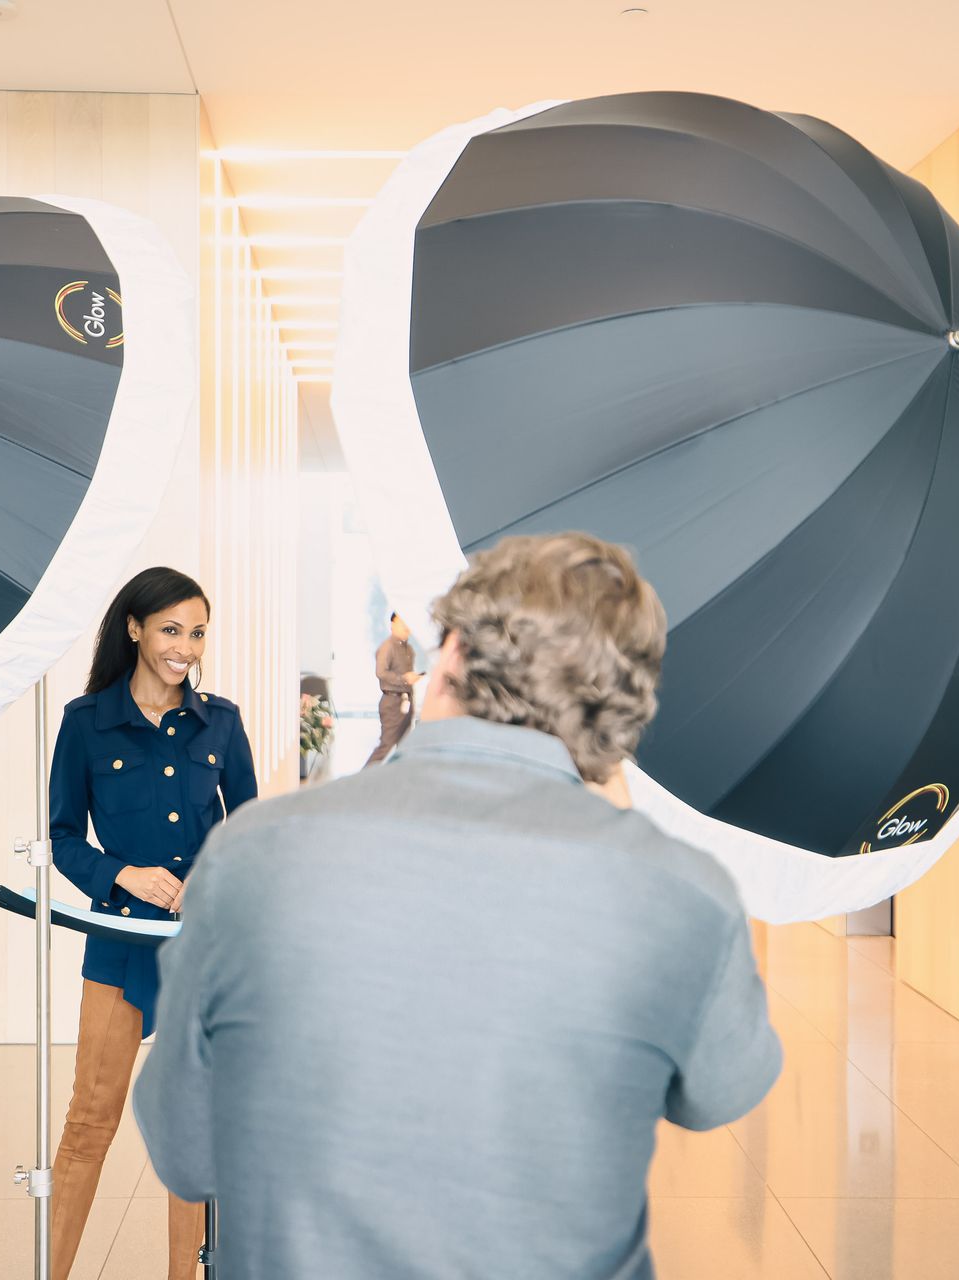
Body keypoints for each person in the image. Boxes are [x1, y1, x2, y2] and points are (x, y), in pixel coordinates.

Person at [133, 533, 782, 1280]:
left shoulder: (254, 852)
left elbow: (185, 1152)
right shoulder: (682, 891)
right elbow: (719, 1093)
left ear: (451, 657)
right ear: (620, 716)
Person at [47, 566, 257, 1280]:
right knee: (89, 1123)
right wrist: (121, 874)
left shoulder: (221, 723)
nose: (186, 648)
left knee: (190, 1136)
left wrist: (209, 875)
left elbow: (250, 829)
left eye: (197, 633)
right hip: (118, 950)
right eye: (172, 630)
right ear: (134, 629)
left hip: (203, 953)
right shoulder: (85, 723)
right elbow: (64, 836)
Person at [364, 612, 420, 768]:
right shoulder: (387, 647)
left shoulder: (408, 649)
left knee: (405, 744)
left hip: (407, 701)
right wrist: (403, 678)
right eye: (402, 623)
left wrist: (411, 679)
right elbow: (381, 672)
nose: (406, 627)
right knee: (387, 745)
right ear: (392, 625)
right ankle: (364, 778)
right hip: (392, 701)